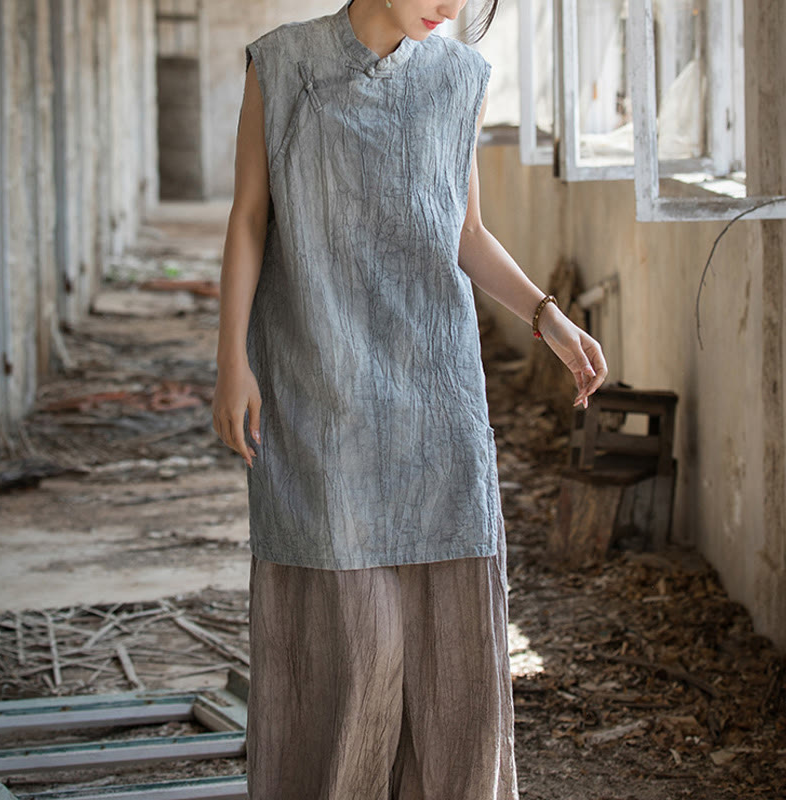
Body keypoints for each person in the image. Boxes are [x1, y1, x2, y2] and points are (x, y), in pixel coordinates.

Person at [212, 1, 608, 797]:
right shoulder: (283, 64)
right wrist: (230, 360)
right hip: (320, 385)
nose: (450, 6)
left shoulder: (460, 77)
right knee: (354, 637)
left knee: (448, 641)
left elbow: (463, 230)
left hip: (437, 393)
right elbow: (251, 218)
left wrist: (547, 316)